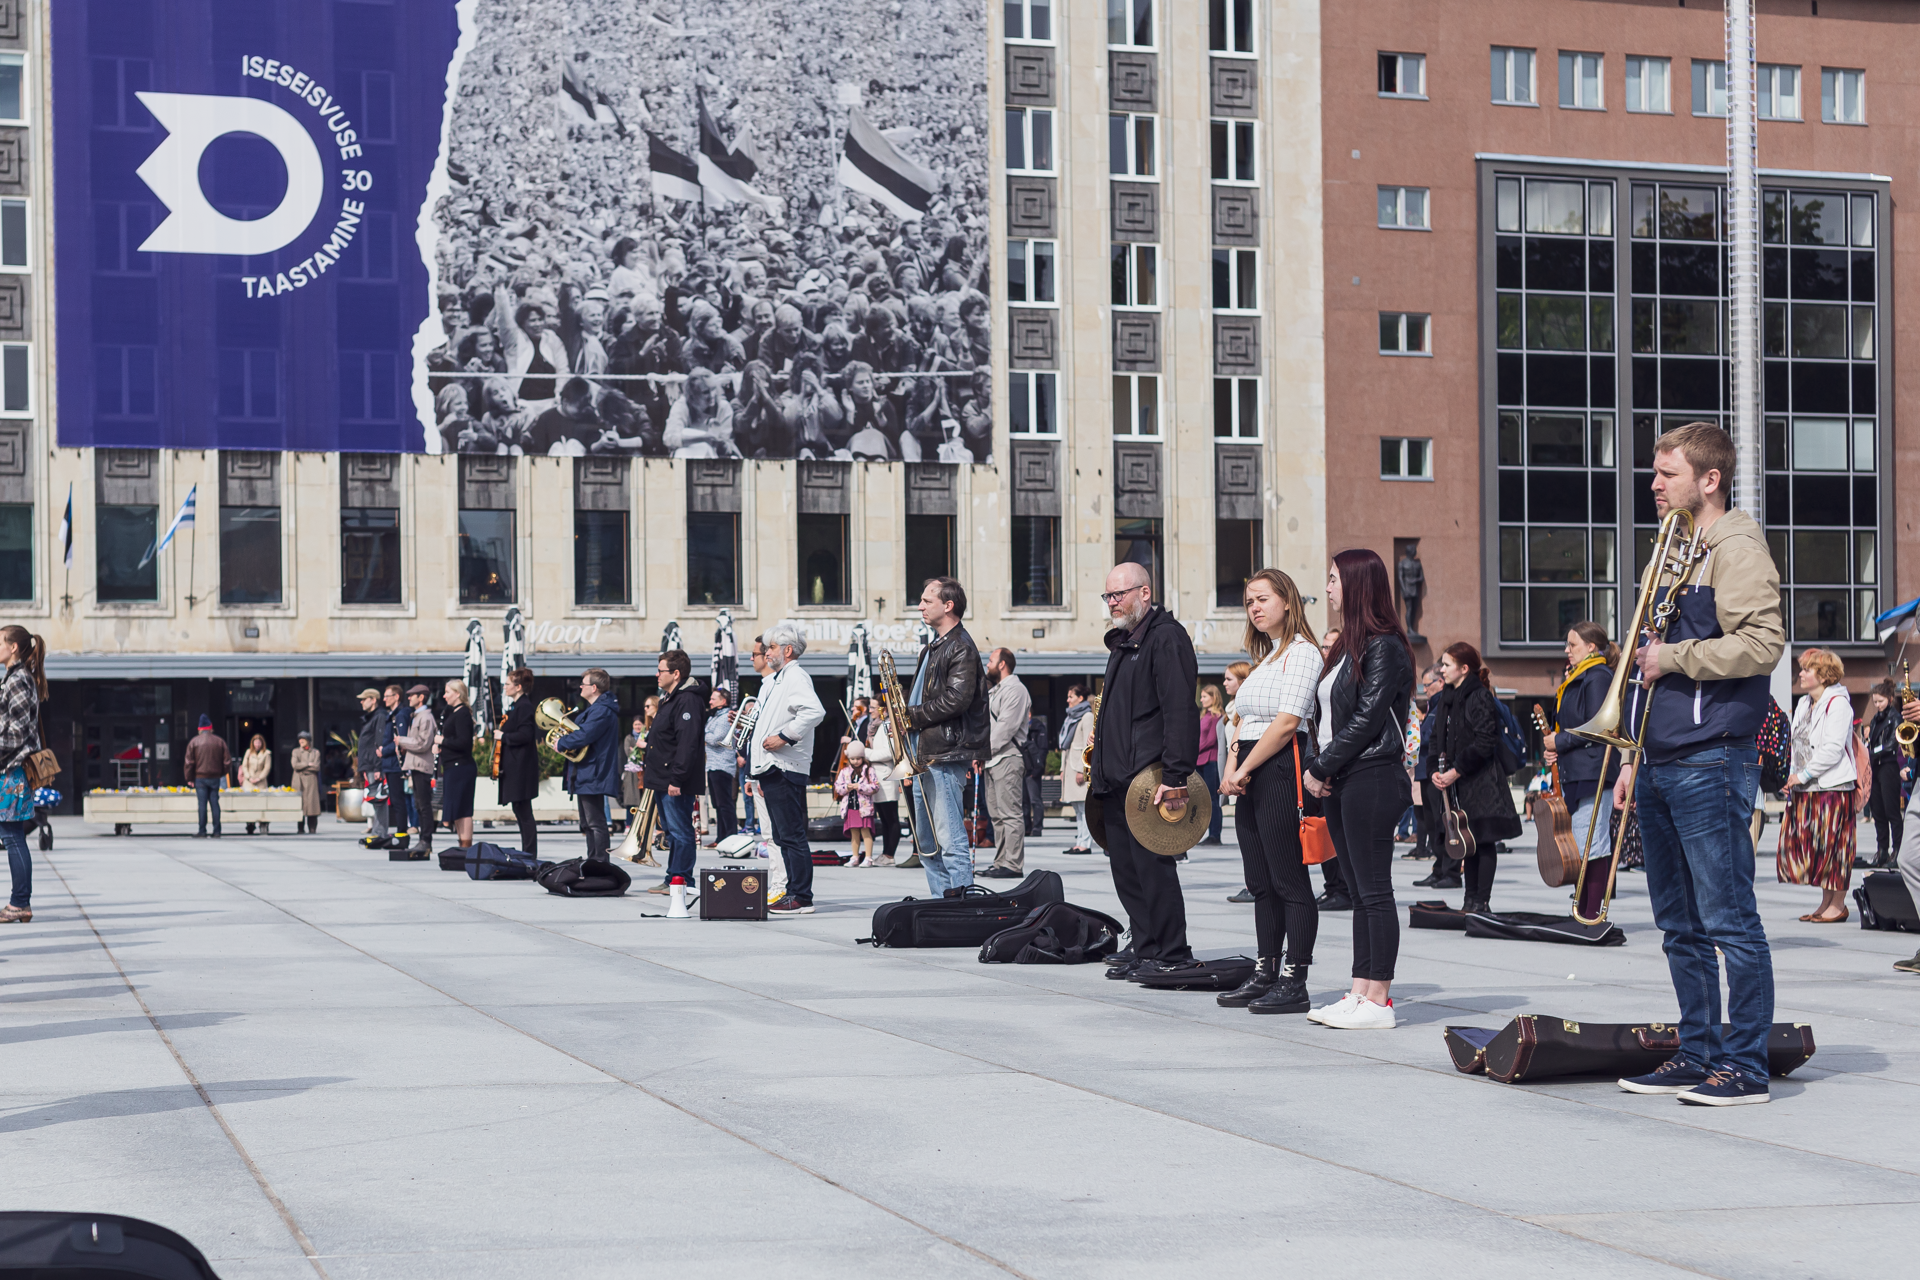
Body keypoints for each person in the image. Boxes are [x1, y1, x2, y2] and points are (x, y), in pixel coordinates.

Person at [1613, 422, 1784, 1106]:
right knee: (1678, 925)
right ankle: (1697, 1052)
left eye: (1668, 474)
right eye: (1655, 473)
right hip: (1661, 758)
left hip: (1711, 756)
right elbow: (1643, 665)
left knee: (1729, 919)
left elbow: (1764, 644)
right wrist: (1630, 756)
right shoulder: (1677, 550)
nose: (1654, 485)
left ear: (1709, 480)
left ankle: (1745, 1066)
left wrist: (1675, 656)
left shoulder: (1735, 549)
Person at [1302, 549, 1415, 1030]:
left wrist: (1321, 766)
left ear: (1356, 583)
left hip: (1373, 775)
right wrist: (1324, 766)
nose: (1327, 587)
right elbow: (1328, 719)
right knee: (1357, 891)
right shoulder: (1347, 646)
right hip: (1345, 776)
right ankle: (1359, 992)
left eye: (1333, 579)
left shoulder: (1384, 646)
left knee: (1374, 890)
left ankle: (1379, 1001)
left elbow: (1368, 719)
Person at [1214, 570, 1323, 1013]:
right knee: (1260, 882)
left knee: (1288, 880)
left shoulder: (1303, 652)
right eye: (1249, 602)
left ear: (1287, 600)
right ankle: (1266, 971)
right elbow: (1240, 721)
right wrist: (1231, 768)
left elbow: (1287, 723)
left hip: (1279, 767)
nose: (1254, 608)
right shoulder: (1265, 658)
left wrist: (1244, 768)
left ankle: (1295, 978)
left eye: (1262, 598)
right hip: (1248, 768)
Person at [1091, 561, 1200, 980]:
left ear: (1145, 593)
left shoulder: (1166, 637)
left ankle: (1172, 951)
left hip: (1149, 779)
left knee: (1154, 869)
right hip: (1117, 780)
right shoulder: (1124, 642)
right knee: (1127, 871)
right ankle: (1146, 945)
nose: (1112, 602)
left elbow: (1179, 711)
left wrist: (1174, 777)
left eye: (1119, 594)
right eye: (1108, 595)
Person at [903, 578, 989, 897]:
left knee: (951, 840)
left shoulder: (960, 646)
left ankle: (963, 905)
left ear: (948, 606)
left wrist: (910, 716)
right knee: (927, 844)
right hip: (925, 756)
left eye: (927, 601)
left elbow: (956, 699)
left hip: (945, 755)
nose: (920, 606)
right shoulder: (933, 647)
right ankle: (941, 905)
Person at [1426, 642, 1522, 915]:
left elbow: (1485, 741)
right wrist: (1434, 770)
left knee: (1483, 840)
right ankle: (1470, 901)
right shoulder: (1446, 697)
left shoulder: (1479, 696)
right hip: (1457, 782)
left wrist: (1456, 770)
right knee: (1466, 843)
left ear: (1464, 668)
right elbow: (1435, 739)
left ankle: (1481, 901)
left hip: (1482, 782)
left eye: (1447, 665)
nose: (1442, 670)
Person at [1542, 623, 1625, 918]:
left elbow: (1599, 727)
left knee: (1593, 843)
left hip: (1594, 771)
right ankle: (1583, 911)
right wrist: (1556, 746)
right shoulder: (1580, 676)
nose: (1567, 650)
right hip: (1579, 770)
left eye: (1572, 644)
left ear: (1591, 647)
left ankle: (1591, 914)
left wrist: (1560, 741)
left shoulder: (1598, 676)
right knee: (1583, 843)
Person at [749, 623, 826, 914]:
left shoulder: (795, 675)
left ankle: (801, 896)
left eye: (771, 647)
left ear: (788, 650)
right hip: (774, 766)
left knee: (791, 835)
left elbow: (814, 711)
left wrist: (784, 737)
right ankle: (794, 892)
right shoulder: (781, 678)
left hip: (783, 766)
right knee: (783, 836)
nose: (767, 652)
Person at [1779, 648, 1856, 924]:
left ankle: (1839, 904)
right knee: (1820, 847)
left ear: (1823, 675)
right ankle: (1826, 902)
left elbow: (1833, 749)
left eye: (1806, 669)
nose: (1800, 673)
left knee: (1837, 848)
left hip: (1833, 787)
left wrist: (1804, 775)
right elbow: (1796, 745)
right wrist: (1792, 776)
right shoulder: (1803, 704)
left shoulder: (1839, 704)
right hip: (1808, 786)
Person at [645, 649, 706, 892]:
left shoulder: (687, 699)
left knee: (680, 831)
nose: (657, 674)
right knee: (671, 831)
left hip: (675, 780)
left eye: (661, 671)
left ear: (676, 673)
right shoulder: (670, 698)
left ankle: (682, 880)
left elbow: (687, 743)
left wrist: (677, 778)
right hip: (664, 778)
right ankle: (673, 878)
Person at [0, 625, 45, 921]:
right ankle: (20, 902)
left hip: (12, 769)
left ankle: (19, 903)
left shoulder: (17, 680)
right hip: (11, 768)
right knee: (12, 835)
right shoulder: (15, 678)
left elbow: (16, 732)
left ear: (13, 647)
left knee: (12, 836)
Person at [556, 668, 622, 864]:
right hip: (587, 771)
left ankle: (600, 863)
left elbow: (585, 735)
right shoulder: (597, 709)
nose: (580, 687)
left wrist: (562, 742)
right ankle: (594, 862)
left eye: (583, 684)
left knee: (595, 823)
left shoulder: (601, 710)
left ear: (594, 688)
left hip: (593, 772)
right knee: (588, 823)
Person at [980, 647, 1031, 879]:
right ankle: (1000, 862)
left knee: (1010, 814)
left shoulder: (1016, 690)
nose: (987, 664)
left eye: (991, 660)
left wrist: (982, 752)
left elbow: (1005, 727)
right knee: (997, 815)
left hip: (1008, 757)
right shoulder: (996, 690)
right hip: (991, 759)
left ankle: (1013, 864)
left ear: (1002, 664)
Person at [1410, 665, 1460, 890]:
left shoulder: (1443, 703)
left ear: (1439, 683)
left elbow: (1433, 735)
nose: (1425, 690)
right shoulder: (1433, 704)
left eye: (1427, 685)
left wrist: (1417, 735)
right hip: (1426, 770)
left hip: (1437, 772)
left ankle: (1450, 870)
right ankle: (1439, 868)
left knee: (1442, 824)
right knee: (1431, 824)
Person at [496, 667, 541, 853]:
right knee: (520, 810)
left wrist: (503, 736)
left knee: (524, 812)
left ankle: (529, 852)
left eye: (508, 684)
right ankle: (527, 852)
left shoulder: (524, 707)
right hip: (515, 767)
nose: (504, 687)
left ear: (519, 687)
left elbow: (525, 735)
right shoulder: (517, 706)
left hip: (521, 768)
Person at [1222, 661, 1255, 902]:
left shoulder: (1244, 706)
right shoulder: (1232, 707)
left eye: (1229, 679)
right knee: (1246, 836)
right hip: (1233, 770)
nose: (1224, 683)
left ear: (1243, 681)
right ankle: (1252, 883)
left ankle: (1254, 884)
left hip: (1245, 772)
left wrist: (1237, 771)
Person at [1863, 680, 1903, 870]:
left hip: (1889, 767)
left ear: (1890, 699)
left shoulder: (1895, 718)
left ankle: (1897, 850)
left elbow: (1892, 744)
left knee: (1891, 811)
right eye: (1875, 702)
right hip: (1875, 767)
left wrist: (1873, 752)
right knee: (1878, 812)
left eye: (1880, 701)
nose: (1877, 705)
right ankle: (1882, 850)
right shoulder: (1875, 719)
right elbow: (1872, 742)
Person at [395, 686, 438, 856]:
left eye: (412, 695)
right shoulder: (417, 716)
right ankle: (423, 840)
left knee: (424, 805)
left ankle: (426, 840)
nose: (409, 698)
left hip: (422, 765)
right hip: (415, 765)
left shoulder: (425, 717)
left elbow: (422, 743)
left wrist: (402, 741)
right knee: (419, 804)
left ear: (421, 697)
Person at [436, 680, 479, 851]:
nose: (444, 696)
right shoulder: (454, 712)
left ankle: (466, 846)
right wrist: (442, 746)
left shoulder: (462, 714)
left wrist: (443, 741)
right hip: (453, 766)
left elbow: (463, 743)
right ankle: (462, 845)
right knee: (458, 809)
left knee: (463, 809)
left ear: (457, 694)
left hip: (460, 766)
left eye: (447, 692)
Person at [1058, 683, 1095, 856]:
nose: (1068, 700)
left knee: (1084, 807)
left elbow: (1089, 746)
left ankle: (1085, 844)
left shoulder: (1087, 716)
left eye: (1071, 696)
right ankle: (1079, 841)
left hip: (1078, 767)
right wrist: (1062, 769)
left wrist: (1083, 769)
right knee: (1078, 808)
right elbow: (1065, 745)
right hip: (1070, 767)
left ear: (1080, 698)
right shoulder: (1071, 717)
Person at [865, 713, 906, 868]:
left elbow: (890, 751)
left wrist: (866, 753)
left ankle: (890, 854)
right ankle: (885, 853)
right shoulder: (875, 727)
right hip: (877, 776)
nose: (871, 710)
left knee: (891, 817)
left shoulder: (888, 725)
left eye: (873, 707)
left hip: (886, 774)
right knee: (883, 818)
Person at [354, 689, 393, 849]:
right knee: (376, 799)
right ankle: (378, 831)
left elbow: (379, 742)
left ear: (373, 699)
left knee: (379, 799)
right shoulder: (371, 717)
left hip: (375, 765)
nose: (361, 702)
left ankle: (380, 833)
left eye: (364, 699)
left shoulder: (379, 716)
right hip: (369, 765)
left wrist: (378, 767)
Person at [184, 713, 230, 839]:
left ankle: (202, 830)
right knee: (215, 803)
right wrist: (221, 773)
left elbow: (189, 763)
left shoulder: (194, 742)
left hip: (200, 778)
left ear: (200, 729)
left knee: (202, 804)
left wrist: (189, 778)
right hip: (215, 777)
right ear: (210, 728)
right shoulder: (219, 741)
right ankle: (217, 831)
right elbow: (227, 762)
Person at [378, 684, 412, 848]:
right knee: (396, 799)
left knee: (398, 800)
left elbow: (401, 739)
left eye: (387, 696)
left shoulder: (400, 715)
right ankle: (400, 831)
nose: (384, 699)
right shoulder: (392, 715)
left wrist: (384, 750)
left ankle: (401, 833)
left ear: (396, 697)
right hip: (390, 763)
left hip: (395, 764)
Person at [836, 742, 879, 867]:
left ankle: (868, 857)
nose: (855, 761)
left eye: (858, 758)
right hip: (850, 807)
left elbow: (875, 787)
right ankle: (855, 857)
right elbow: (838, 788)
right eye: (852, 759)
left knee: (866, 832)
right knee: (854, 833)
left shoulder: (869, 770)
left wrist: (859, 786)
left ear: (863, 757)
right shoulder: (844, 771)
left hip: (864, 807)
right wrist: (847, 787)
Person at [705, 686, 739, 844]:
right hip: (712, 765)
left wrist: (703, 733)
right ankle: (721, 838)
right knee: (718, 805)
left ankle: (731, 837)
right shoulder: (714, 717)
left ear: (723, 701)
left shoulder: (726, 717)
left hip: (722, 765)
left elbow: (715, 739)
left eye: (713, 699)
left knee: (725, 804)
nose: (710, 701)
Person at [1197, 684, 1226, 846]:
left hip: (1211, 761)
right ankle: (1209, 833)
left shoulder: (1217, 716)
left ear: (1213, 697)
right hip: (1200, 760)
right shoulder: (1204, 715)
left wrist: (1192, 750)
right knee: (1204, 800)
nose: (1201, 700)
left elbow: (1210, 740)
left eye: (1204, 697)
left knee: (1212, 799)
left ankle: (1215, 835)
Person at [1023, 708, 1049, 837]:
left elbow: (1043, 750)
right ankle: (1027, 827)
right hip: (1022, 769)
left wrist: (1037, 769)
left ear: (1029, 714)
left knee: (1035, 800)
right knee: (1023, 801)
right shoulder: (1019, 727)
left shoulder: (1038, 728)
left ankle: (1037, 827)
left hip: (1033, 770)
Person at [239, 734, 272, 834]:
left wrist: (259, 778)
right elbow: (244, 766)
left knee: (261, 803)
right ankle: (250, 824)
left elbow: (267, 767)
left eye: (259, 742)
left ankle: (263, 823)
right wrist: (249, 777)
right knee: (249, 803)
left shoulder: (266, 753)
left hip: (260, 781)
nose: (257, 744)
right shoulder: (248, 752)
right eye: (255, 742)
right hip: (249, 781)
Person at [619, 713, 647, 828]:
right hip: (631, 772)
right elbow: (628, 752)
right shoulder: (629, 738)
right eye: (635, 724)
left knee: (643, 799)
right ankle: (629, 824)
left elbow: (645, 752)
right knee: (630, 799)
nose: (637, 727)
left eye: (639, 724)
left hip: (643, 771)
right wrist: (639, 748)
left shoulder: (646, 736)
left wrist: (637, 749)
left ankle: (643, 824)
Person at [291, 732, 321, 834]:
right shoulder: (296, 752)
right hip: (299, 781)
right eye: (300, 739)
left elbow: (316, 767)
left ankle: (312, 827)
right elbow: (295, 765)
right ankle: (300, 828)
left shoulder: (315, 752)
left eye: (303, 739)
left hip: (311, 781)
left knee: (312, 804)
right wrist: (308, 764)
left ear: (308, 741)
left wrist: (303, 767)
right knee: (300, 804)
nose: (301, 741)